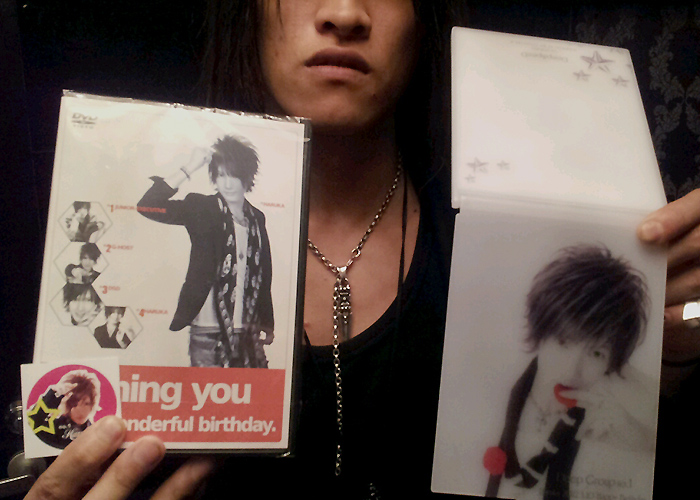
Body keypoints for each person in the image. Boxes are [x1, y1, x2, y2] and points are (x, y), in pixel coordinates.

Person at [24, 1, 700, 499]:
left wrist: (660, 368)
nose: (345, 13)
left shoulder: (505, 252)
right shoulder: (121, 229)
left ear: (425, 23)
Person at [484, 245, 655, 500]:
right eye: (564, 342)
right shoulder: (492, 400)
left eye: (596, 353)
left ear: (611, 363)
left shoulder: (610, 428)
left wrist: (638, 437)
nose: (572, 369)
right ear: (541, 331)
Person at [137, 135, 274, 368]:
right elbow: (148, 206)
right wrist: (189, 167)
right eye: (221, 175)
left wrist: (267, 321)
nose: (227, 184)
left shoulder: (257, 218)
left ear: (247, 178)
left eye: (234, 176)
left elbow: (263, 273)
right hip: (207, 328)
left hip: (248, 329)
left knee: (253, 390)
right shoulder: (201, 208)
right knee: (207, 390)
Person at [27, 370, 100, 450]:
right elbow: (30, 423)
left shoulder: (95, 432)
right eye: (75, 403)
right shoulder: (51, 426)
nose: (81, 410)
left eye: (86, 403)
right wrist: (52, 395)